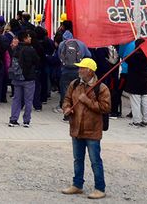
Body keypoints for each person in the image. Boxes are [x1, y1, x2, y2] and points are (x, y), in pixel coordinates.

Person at [62, 58, 111, 200]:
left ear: (89, 71)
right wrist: (66, 108)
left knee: (95, 160)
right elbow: (67, 99)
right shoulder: (75, 84)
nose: (79, 70)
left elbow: (105, 107)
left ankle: (100, 188)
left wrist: (87, 101)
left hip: (92, 130)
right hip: (76, 128)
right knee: (78, 159)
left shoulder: (101, 88)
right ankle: (77, 184)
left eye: (82, 68)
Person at [9, 30, 39, 127]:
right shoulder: (31, 50)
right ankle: (26, 121)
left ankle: (13, 119)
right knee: (28, 100)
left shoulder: (16, 49)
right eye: (28, 37)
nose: (30, 38)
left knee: (16, 99)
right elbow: (37, 61)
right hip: (29, 78)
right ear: (25, 39)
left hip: (17, 78)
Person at [125, 39, 147, 128]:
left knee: (135, 103)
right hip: (145, 82)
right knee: (146, 102)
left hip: (134, 82)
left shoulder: (133, 56)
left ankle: (136, 121)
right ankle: (146, 121)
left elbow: (126, 59)